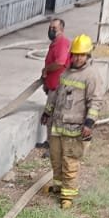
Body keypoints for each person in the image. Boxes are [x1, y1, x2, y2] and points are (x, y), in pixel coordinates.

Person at [40, 33, 103, 209]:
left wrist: (89, 123)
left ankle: (68, 195)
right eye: (75, 54)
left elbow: (95, 101)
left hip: (74, 129)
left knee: (70, 161)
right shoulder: (66, 72)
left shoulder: (91, 76)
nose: (77, 58)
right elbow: (55, 94)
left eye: (81, 55)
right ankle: (59, 187)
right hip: (57, 127)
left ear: (88, 56)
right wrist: (47, 112)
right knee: (56, 158)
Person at [37, 18, 70, 149]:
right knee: (50, 116)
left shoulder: (61, 43)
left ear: (61, 29)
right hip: (53, 85)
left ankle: (53, 147)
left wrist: (46, 70)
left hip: (58, 87)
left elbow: (60, 62)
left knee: (55, 117)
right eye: (50, 28)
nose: (51, 31)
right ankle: (49, 142)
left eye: (54, 28)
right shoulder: (55, 43)